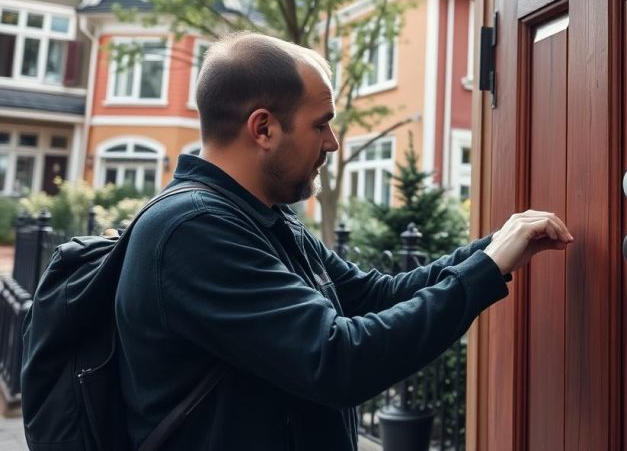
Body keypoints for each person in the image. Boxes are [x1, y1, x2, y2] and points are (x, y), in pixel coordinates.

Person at [114, 33, 572, 450]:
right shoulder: (191, 231)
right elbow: (338, 360)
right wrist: (484, 272)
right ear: (264, 128)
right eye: (321, 124)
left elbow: (371, 297)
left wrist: (494, 249)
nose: (332, 143)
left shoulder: (262, 216)